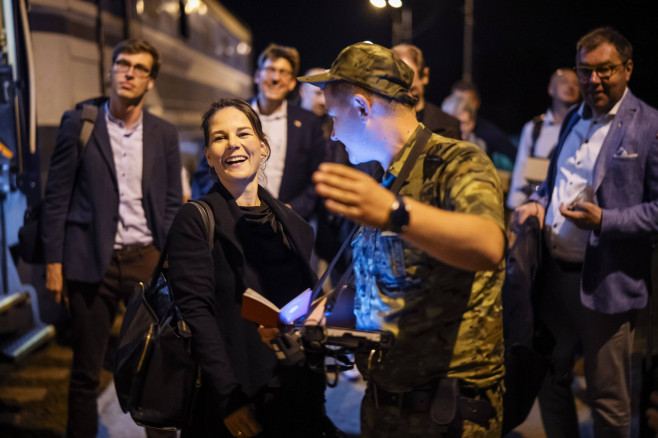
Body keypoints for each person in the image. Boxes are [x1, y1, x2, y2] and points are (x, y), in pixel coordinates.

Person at [299, 42, 506, 437]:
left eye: (333, 116)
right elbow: (395, 281)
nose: (332, 132)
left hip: (446, 415)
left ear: (362, 108)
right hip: (387, 406)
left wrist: (395, 213)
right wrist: (330, 313)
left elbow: (488, 245)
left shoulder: (457, 162)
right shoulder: (388, 178)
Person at [513, 27, 658, 438]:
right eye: (584, 70)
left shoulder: (649, 126)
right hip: (553, 278)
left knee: (608, 397)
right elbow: (552, 181)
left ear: (627, 69)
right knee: (550, 380)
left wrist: (605, 221)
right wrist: (536, 203)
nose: (592, 80)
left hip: (606, 281)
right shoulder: (573, 117)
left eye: (605, 70)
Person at [166, 98, 333, 438]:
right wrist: (229, 398)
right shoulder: (195, 221)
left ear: (263, 146)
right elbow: (197, 314)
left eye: (243, 133)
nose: (233, 144)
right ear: (210, 157)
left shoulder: (293, 224)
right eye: (219, 137)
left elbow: (307, 299)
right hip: (235, 397)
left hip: (295, 392)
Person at [41, 39, 182, 438]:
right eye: (122, 63)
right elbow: (57, 198)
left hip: (146, 260)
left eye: (139, 67)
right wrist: (55, 262)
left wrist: (172, 260)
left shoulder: (164, 134)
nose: (129, 72)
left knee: (159, 365)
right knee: (86, 370)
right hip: (91, 261)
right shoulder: (80, 123)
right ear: (111, 70)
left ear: (150, 81)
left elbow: (172, 202)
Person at [192, 44, 325, 222]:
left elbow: (317, 178)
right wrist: (226, 204)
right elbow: (206, 171)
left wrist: (291, 210)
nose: (276, 78)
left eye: (284, 72)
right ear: (257, 76)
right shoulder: (230, 115)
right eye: (270, 69)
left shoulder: (309, 123)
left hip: (286, 222)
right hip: (233, 219)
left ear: (293, 82)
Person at [506, 68, 580, 209]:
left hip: (566, 207)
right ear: (551, 89)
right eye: (564, 82)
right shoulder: (534, 128)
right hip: (533, 204)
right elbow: (521, 169)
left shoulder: (582, 129)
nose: (570, 86)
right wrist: (515, 206)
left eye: (575, 83)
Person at [391, 43, 461, 140]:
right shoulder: (379, 123)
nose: (406, 95)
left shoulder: (448, 125)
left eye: (412, 89)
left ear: (425, 76)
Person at [448, 80, 517, 169]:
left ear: (476, 104)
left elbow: (515, 156)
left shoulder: (488, 133)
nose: (460, 106)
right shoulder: (439, 129)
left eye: (466, 102)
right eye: (456, 101)